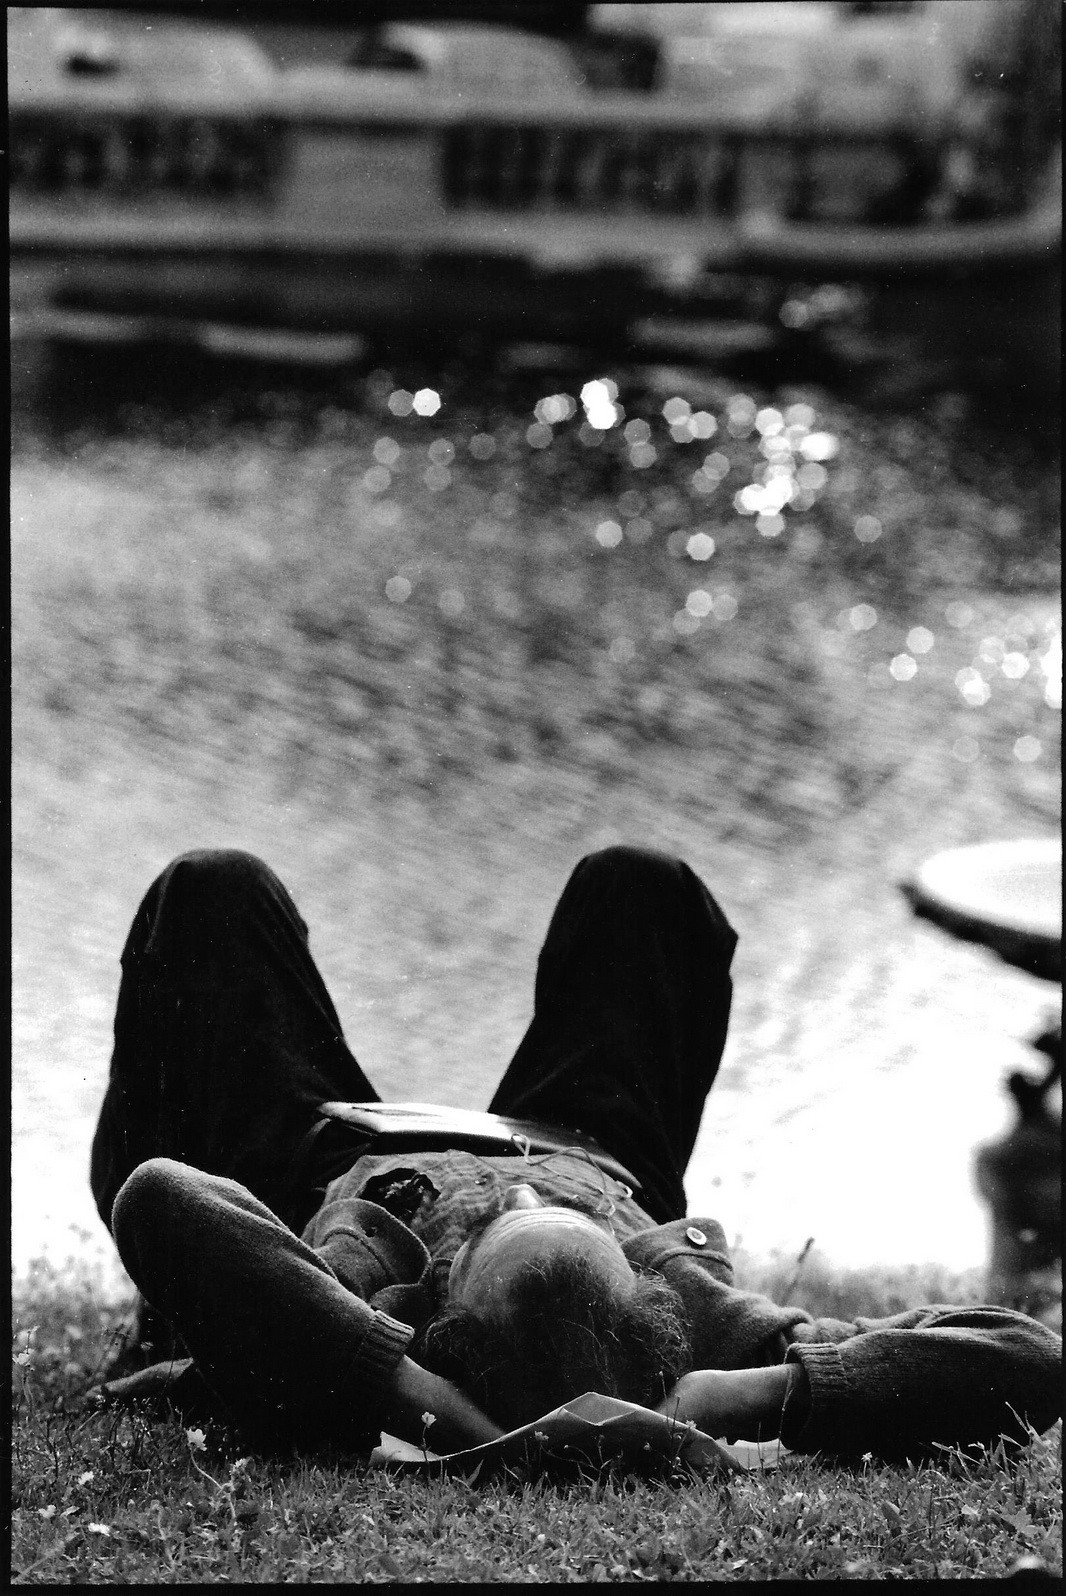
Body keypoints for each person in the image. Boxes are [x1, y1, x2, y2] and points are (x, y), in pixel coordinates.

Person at [92, 847, 1061, 1463]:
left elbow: (164, 1199)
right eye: (556, 1224)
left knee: (211, 892)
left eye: (498, 1233)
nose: (513, 1198)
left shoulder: (376, 1315)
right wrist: (753, 1393)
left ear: (438, 1311)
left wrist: (414, 1398)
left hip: (330, 1165)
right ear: (645, 1291)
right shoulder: (701, 1327)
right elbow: (1028, 1355)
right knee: (645, 890)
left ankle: (167, 1311)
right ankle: (577, 1212)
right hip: (593, 1153)